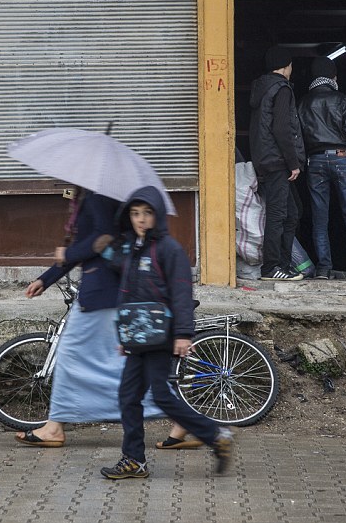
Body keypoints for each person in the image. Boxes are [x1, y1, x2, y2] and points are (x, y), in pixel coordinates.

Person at [100, 186, 233, 479]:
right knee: (128, 396)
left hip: (162, 336)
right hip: (138, 337)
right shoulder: (132, 249)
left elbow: (182, 293)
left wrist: (184, 334)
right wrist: (126, 336)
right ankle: (134, 460)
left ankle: (216, 435)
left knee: (161, 395)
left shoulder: (169, 249)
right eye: (135, 214)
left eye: (147, 213)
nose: (141, 219)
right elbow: (127, 293)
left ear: (157, 215)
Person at [16, 187, 161, 447]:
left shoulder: (97, 195)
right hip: (102, 292)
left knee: (72, 352)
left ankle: (54, 427)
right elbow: (87, 243)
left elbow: (101, 238)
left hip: (103, 291)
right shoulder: (87, 196)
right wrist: (46, 279)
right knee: (120, 363)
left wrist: (68, 254)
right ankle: (179, 417)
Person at [297, 57, 346, 280]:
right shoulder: (341, 98)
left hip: (315, 160)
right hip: (341, 157)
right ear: (333, 77)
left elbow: (299, 134)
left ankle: (323, 269)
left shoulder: (303, 102)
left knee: (320, 218)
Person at [249, 46, 306, 281]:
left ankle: (283, 264)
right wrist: (293, 162)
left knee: (292, 213)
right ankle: (271, 267)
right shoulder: (282, 89)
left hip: (266, 158)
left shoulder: (263, 88)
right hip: (277, 161)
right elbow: (282, 128)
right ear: (286, 65)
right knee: (278, 214)